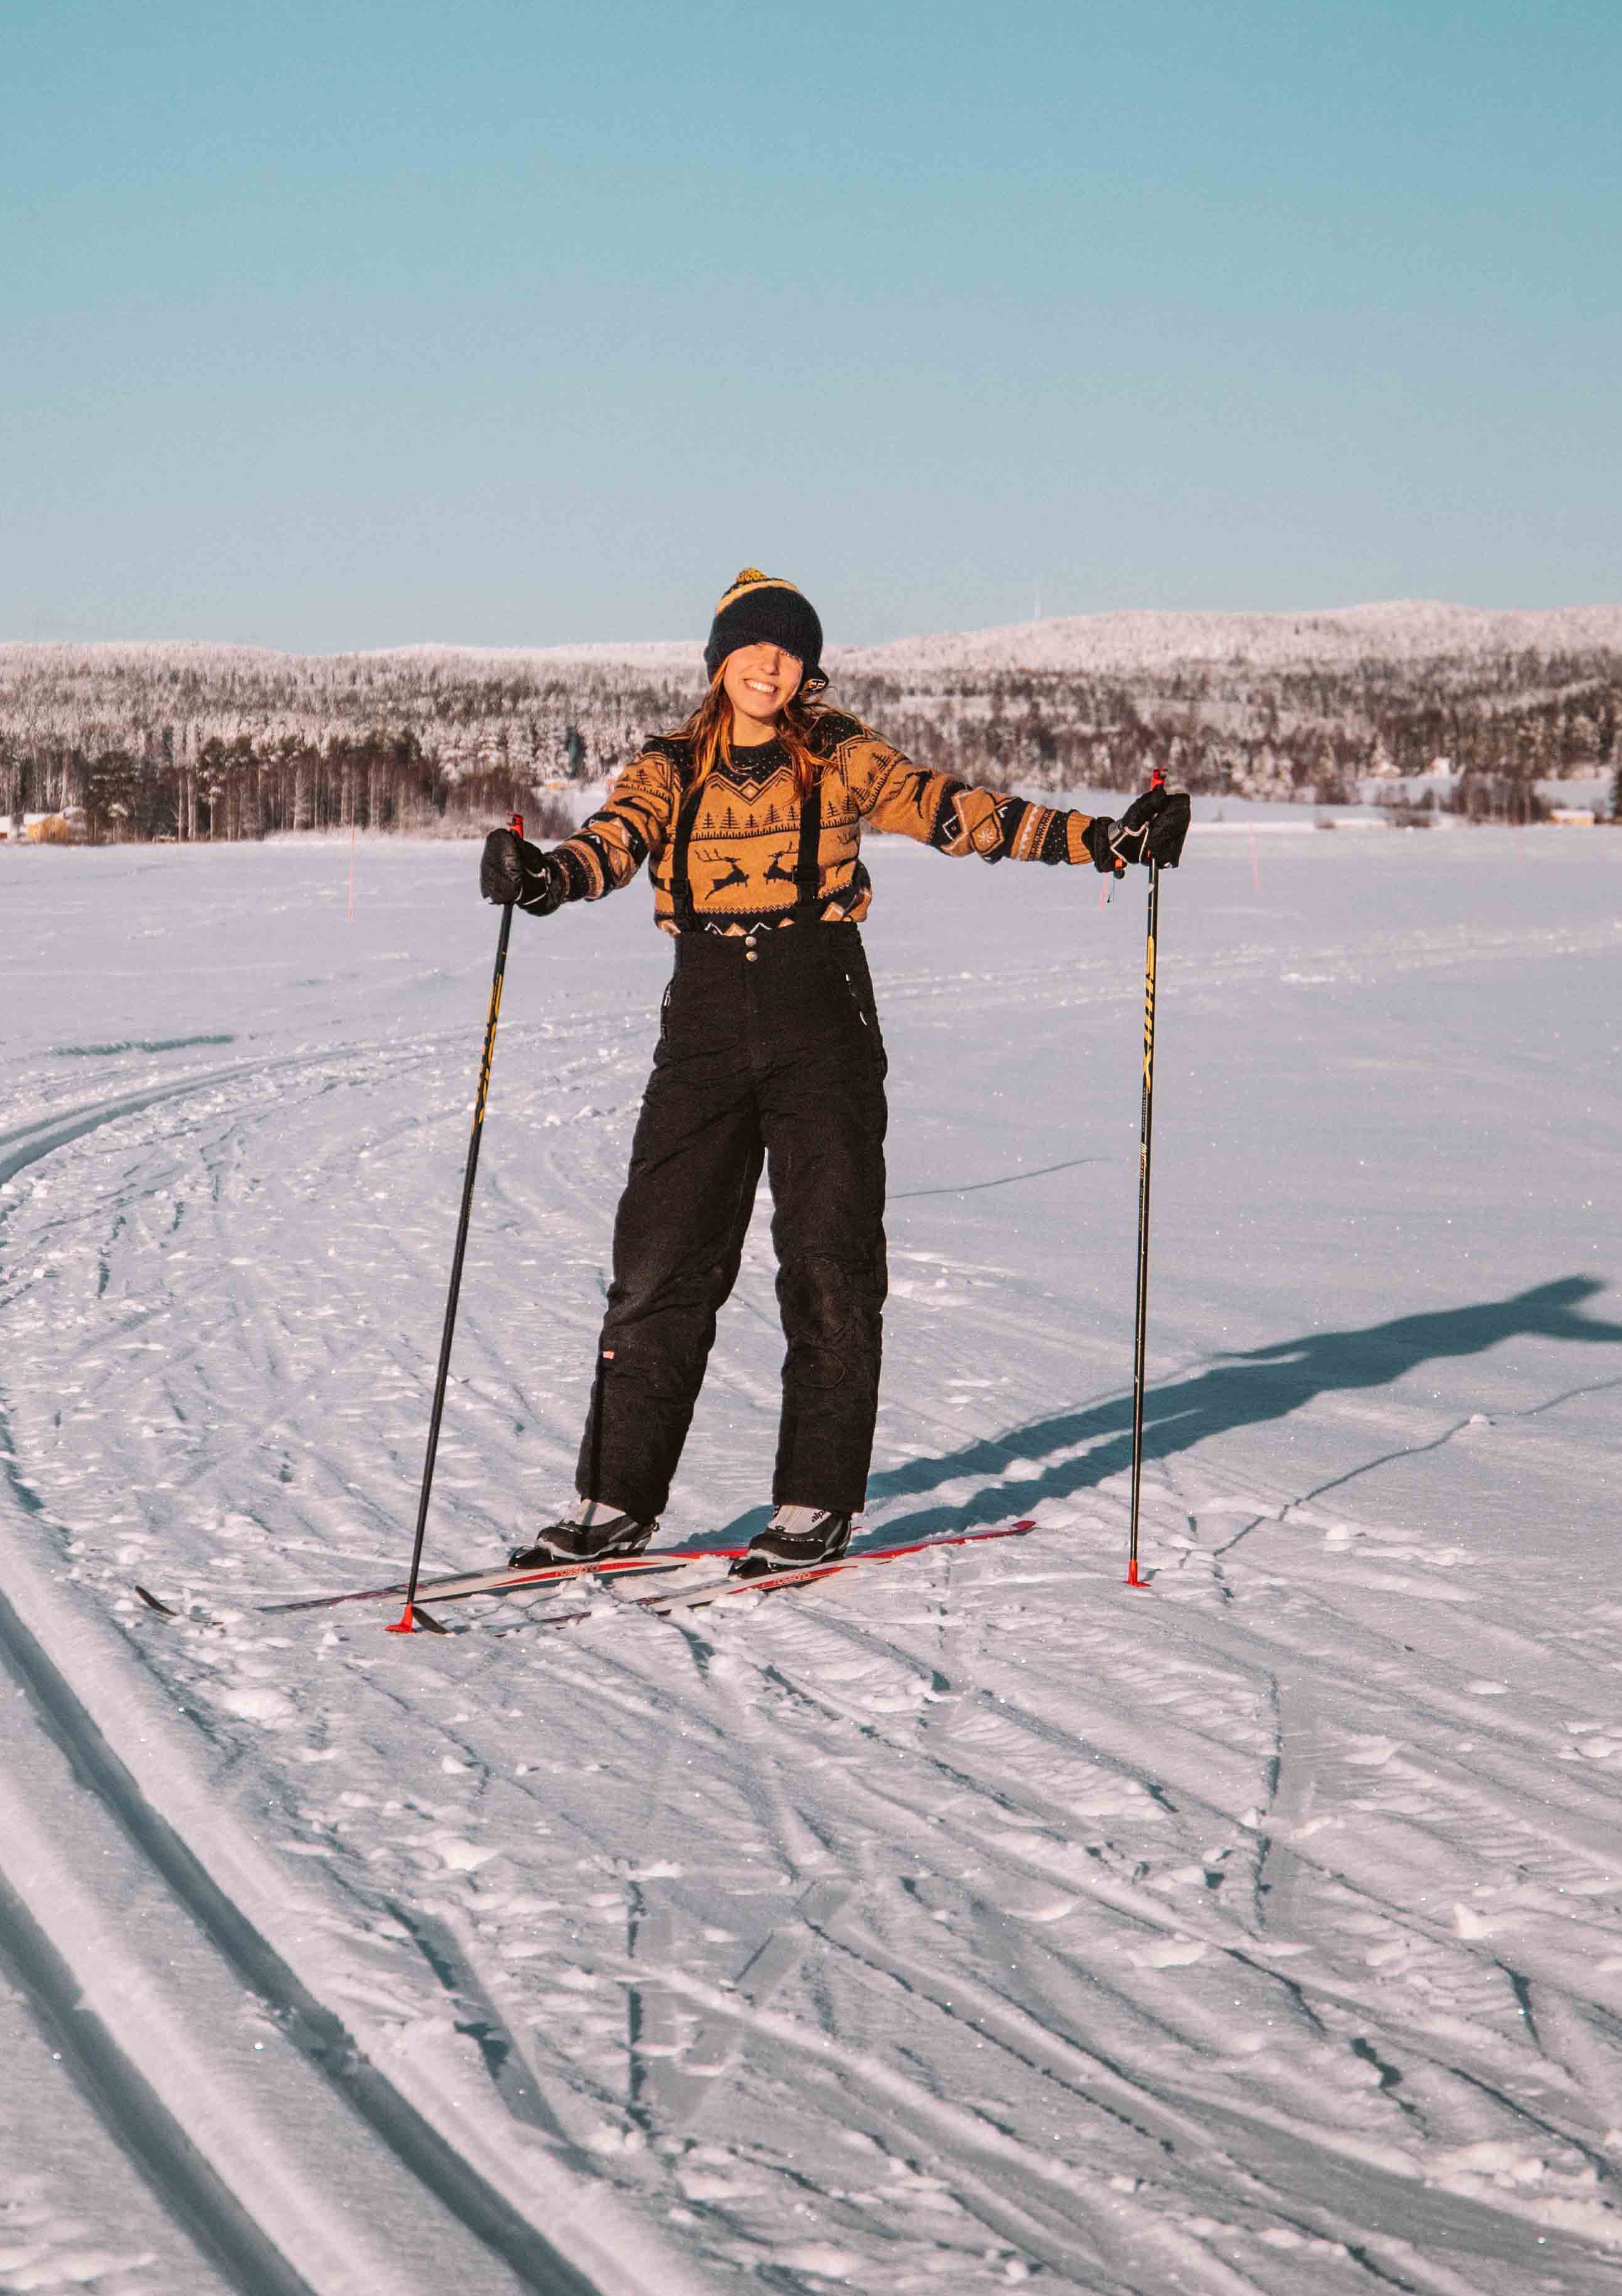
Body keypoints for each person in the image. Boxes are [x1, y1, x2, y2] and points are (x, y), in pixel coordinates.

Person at [477, 569, 1190, 1576]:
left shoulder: (841, 755)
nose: (770, 665)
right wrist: (546, 876)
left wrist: (1108, 843)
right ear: (720, 660)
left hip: (823, 1016)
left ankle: (816, 1502)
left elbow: (960, 813)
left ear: (806, 664)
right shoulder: (671, 763)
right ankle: (612, 1501)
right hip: (707, 1026)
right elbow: (614, 843)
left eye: (789, 648)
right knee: (657, 1269)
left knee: (830, 1266)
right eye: (751, 647)